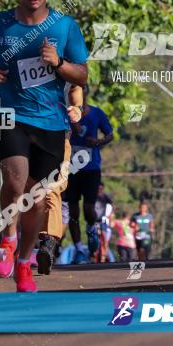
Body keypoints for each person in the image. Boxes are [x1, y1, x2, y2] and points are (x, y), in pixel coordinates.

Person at [0, 0, 88, 292]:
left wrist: (60, 64)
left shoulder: (65, 27)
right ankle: (7, 237)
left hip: (50, 121)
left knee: (37, 198)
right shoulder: (0, 24)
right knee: (14, 176)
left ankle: (24, 261)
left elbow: (82, 74)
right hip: (9, 113)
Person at [62, 84, 114, 264]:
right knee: (73, 211)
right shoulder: (64, 113)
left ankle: (92, 227)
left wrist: (98, 141)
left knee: (88, 209)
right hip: (71, 170)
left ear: (85, 94)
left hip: (91, 168)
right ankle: (78, 249)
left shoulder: (96, 113)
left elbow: (110, 134)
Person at [36, 83, 84, 275]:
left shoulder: (64, 59)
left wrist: (77, 108)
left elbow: (76, 86)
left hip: (59, 134)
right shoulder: (18, 56)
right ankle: (12, 243)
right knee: (24, 188)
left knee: (52, 187)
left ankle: (48, 243)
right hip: (24, 131)